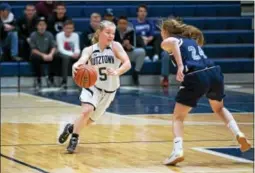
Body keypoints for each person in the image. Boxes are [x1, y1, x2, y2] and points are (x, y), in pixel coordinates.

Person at [159, 18, 251, 165]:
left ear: (164, 31)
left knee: (178, 117)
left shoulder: (168, 41)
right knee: (219, 108)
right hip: (214, 72)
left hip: (196, 75)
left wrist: (180, 66)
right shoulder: (190, 40)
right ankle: (238, 134)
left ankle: (177, 151)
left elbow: (174, 43)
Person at [58, 20, 131, 153]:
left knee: (89, 121)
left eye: (113, 33)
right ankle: (74, 139)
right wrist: (76, 65)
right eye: (107, 33)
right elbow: (81, 61)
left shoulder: (116, 47)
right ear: (99, 33)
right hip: (93, 87)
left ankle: (70, 128)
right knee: (86, 111)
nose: (111, 36)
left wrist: (117, 71)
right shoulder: (89, 49)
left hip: (110, 91)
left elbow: (127, 63)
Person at [29, 17, 58, 90]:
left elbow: (54, 46)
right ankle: (38, 81)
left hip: (47, 55)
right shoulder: (33, 35)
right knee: (35, 57)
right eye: (40, 25)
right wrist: (43, 55)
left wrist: (51, 54)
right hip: (38, 55)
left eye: (43, 25)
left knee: (56, 56)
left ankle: (51, 79)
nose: (42, 27)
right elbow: (33, 49)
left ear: (46, 26)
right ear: (37, 26)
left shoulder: (49, 34)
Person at [116, 16, 145, 85]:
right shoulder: (114, 32)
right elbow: (111, 47)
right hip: (117, 55)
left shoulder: (131, 31)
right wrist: (123, 45)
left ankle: (136, 73)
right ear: (117, 24)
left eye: (124, 23)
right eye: (120, 23)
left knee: (141, 51)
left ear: (127, 24)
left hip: (128, 53)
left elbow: (133, 46)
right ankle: (115, 76)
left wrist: (130, 47)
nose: (122, 25)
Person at [56, 20, 80, 89]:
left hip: (72, 53)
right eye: (67, 28)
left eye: (70, 28)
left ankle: (80, 81)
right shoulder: (59, 35)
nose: (69, 30)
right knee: (66, 58)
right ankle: (64, 82)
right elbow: (61, 49)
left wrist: (77, 53)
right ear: (63, 28)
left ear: (73, 29)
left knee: (82, 56)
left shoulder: (75, 35)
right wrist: (72, 54)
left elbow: (77, 48)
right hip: (61, 54)